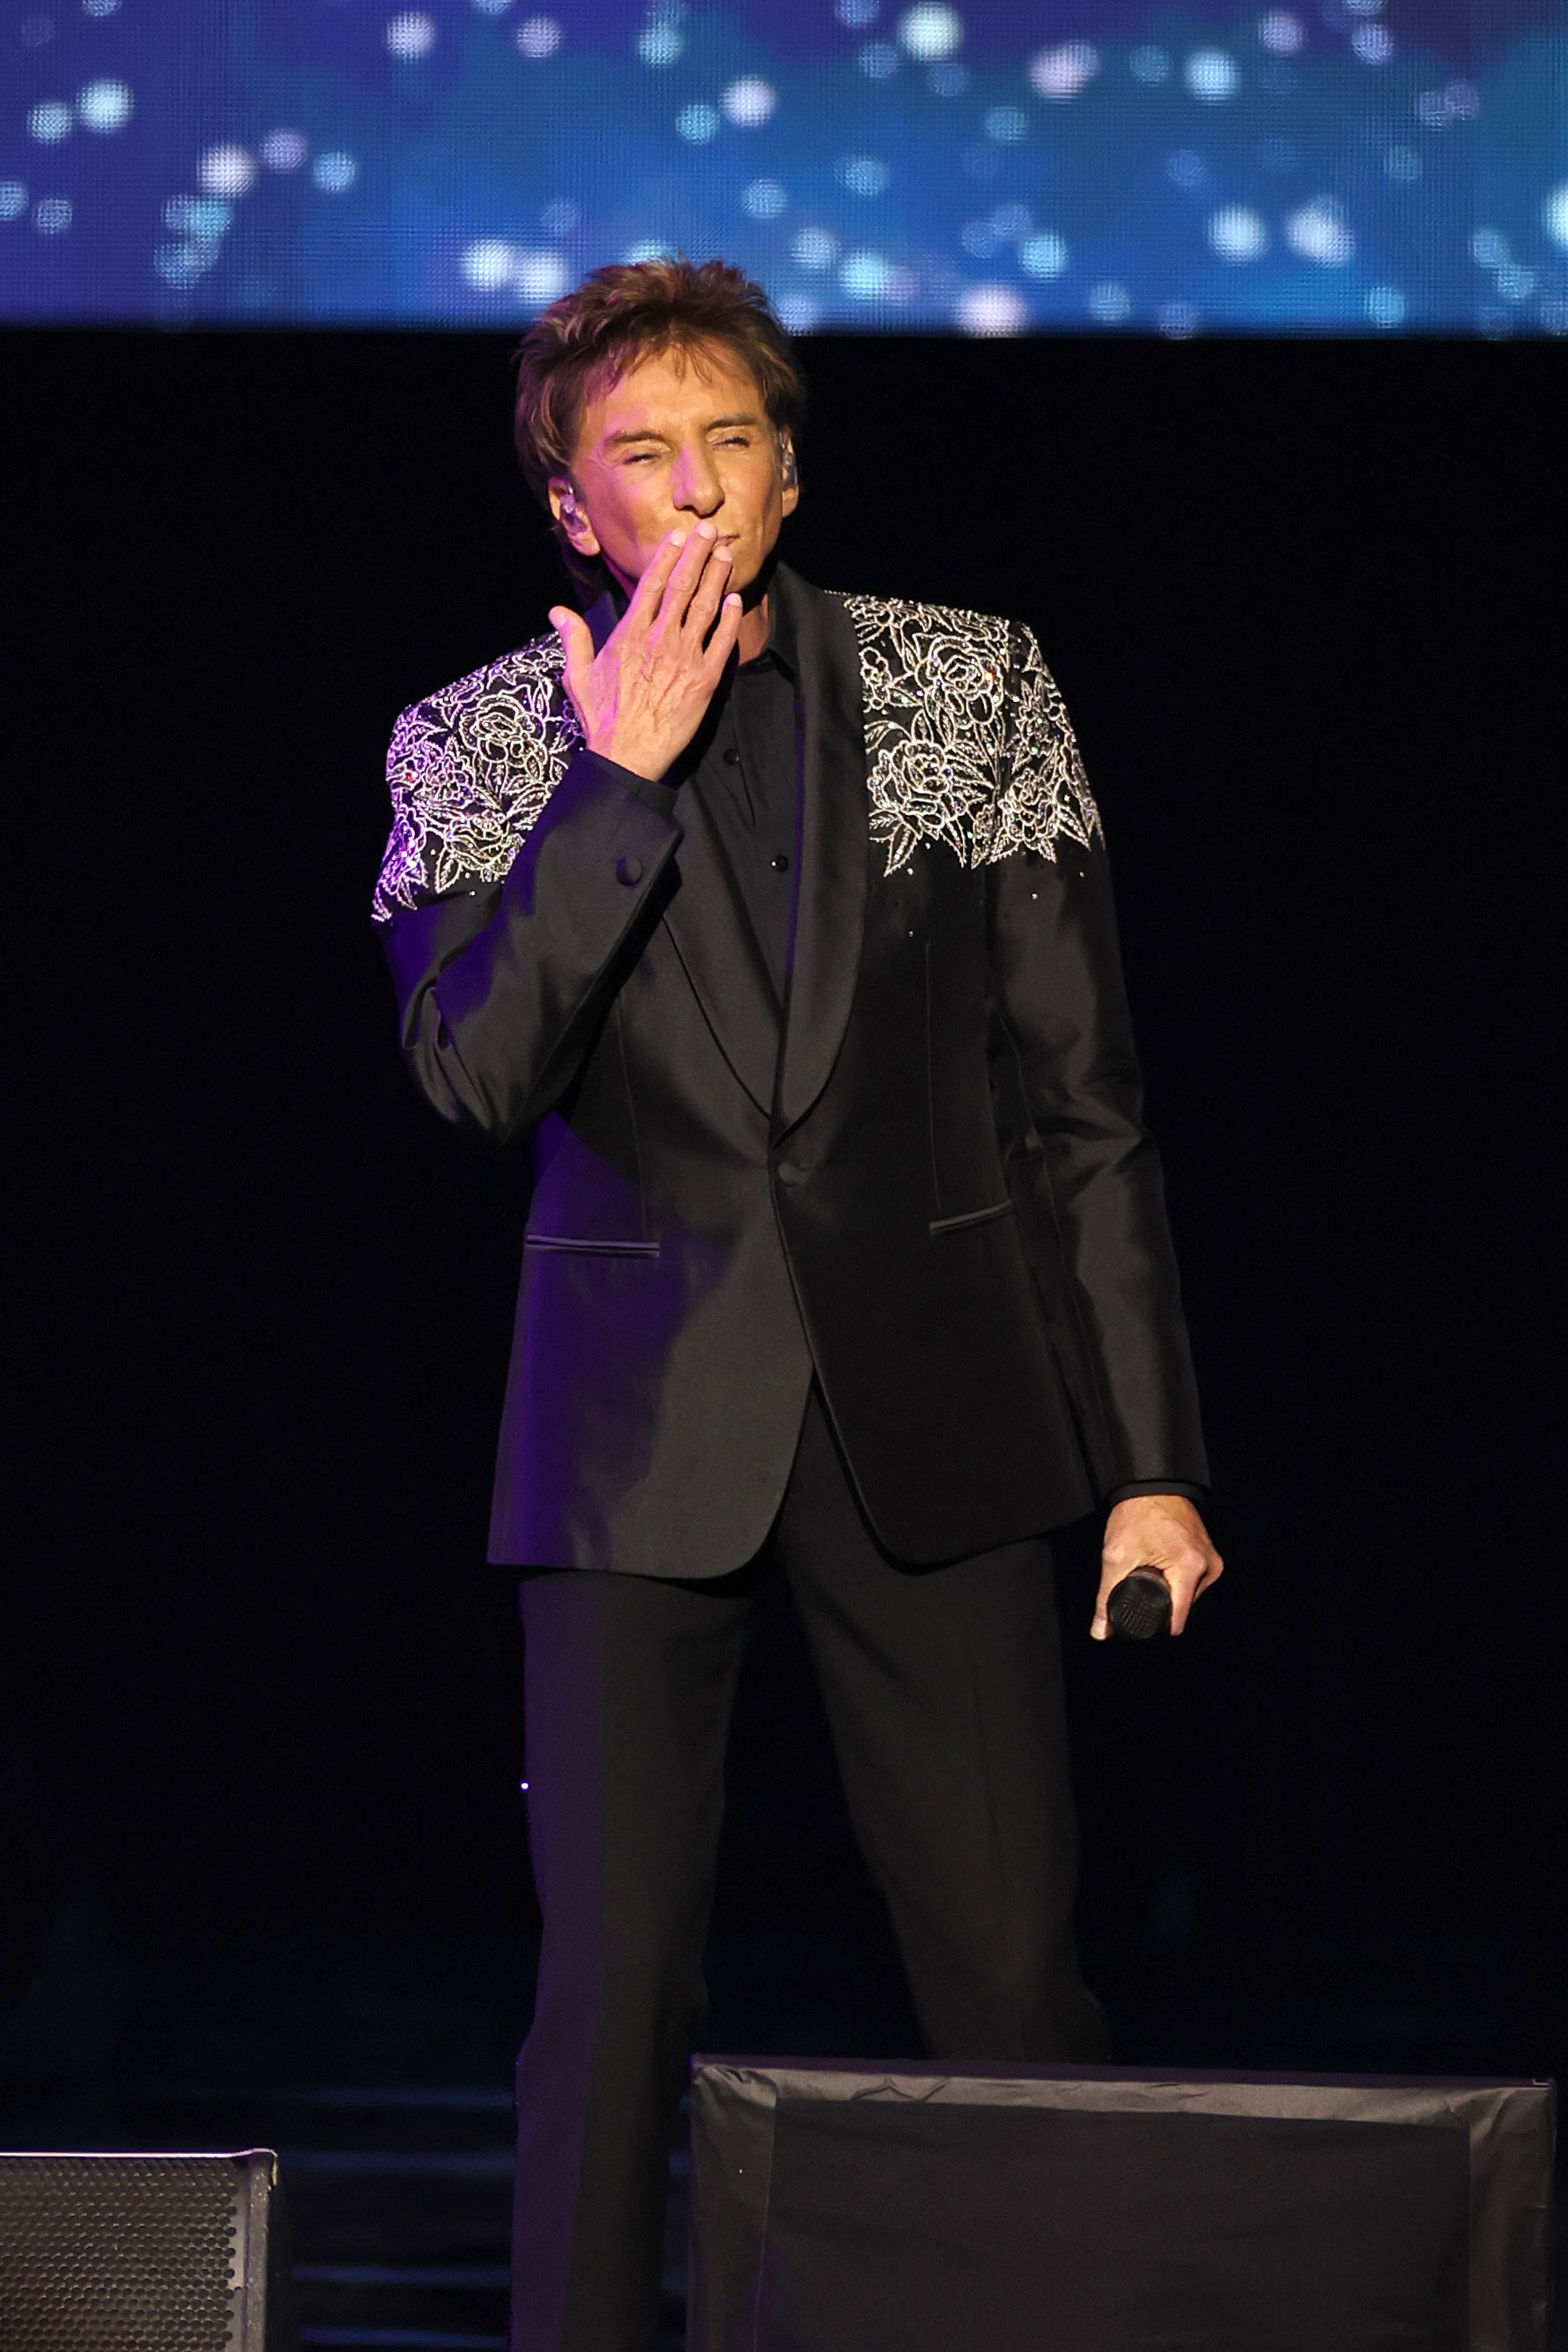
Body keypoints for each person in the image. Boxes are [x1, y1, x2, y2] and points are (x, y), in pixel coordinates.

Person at [374, 257, 1221, 2352]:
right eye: (643, 460)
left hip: (932, 1411)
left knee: (1008, 1967)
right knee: (612, 1983)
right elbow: (473, 1077)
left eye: (731, 446)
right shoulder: (476, 739)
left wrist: (1147, 1467)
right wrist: (615, 785)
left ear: (786, 466)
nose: (697, 494)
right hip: (628, 1430)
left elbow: (1080, 1108)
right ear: (574, 507)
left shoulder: (971, 681)